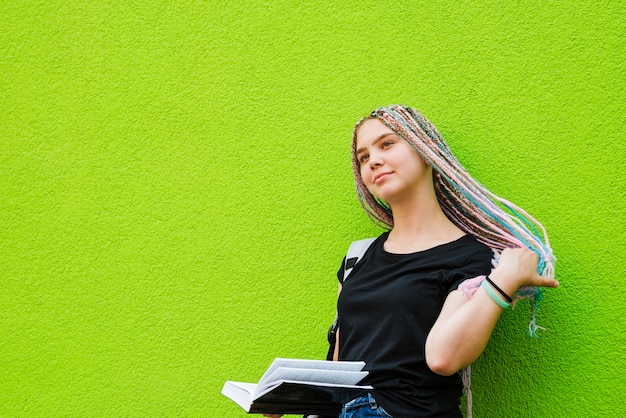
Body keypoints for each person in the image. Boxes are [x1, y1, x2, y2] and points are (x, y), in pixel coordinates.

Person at [266, 105, 558, 418]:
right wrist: (292, 397)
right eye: (363, 157)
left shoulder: (471, 257)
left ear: (426, 151)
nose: (373, 160)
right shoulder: (357, 257)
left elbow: (443, 358)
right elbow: (342, 368)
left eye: (387, 144)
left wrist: (506, 279)